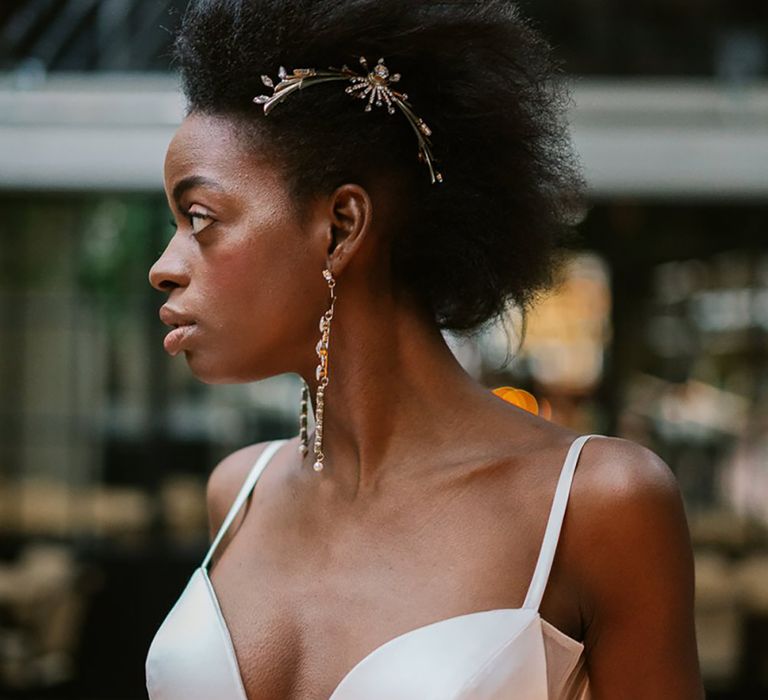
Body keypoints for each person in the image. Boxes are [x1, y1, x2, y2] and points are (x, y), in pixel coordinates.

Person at [145, 1, 704, 698]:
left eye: (199, 219)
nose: (163, 266)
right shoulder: (239, 492)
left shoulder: (597, 505)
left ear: (340, 227)